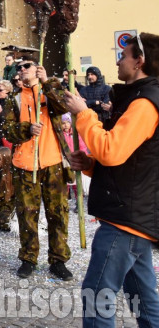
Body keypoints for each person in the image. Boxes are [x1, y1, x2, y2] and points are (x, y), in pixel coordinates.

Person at [63, 32, 159, 328]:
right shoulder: (136, 98)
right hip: (132, 215)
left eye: (124, 55)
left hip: (125, 219)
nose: (119, 60)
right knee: (143, 298)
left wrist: (84, 115)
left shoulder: (144, 103)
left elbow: (113, 151)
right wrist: (90, 164)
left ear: (139, 62)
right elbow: (130, 159)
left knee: (97, 297)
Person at [4, 55, 73, 281]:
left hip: (52, 162)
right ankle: (28, 258)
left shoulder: (48, 90)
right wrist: (26, 130)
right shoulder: (14, 99)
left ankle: (58, 260)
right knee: (27, 214)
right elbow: (7, 131)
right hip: (25, 164)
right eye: (19, 67)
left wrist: (48, 84)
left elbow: (64, 106)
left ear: (37, 69)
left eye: (26, 66)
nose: (22, 70)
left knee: (58, 214)